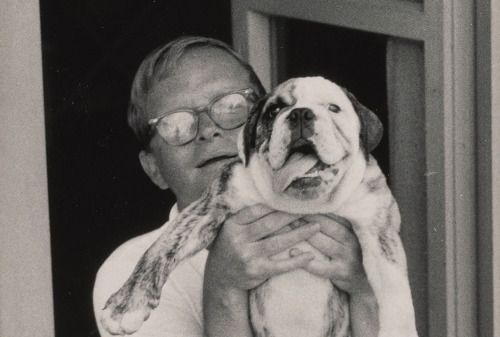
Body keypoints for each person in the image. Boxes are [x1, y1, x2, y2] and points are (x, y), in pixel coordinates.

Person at [93, 36, 379, 337]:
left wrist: (367, 288)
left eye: (232, 106)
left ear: (268, 123)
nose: (209, 130)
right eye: (175, 124)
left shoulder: (339, 220)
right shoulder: (127, 271)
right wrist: (223, 287)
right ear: (154, 169)